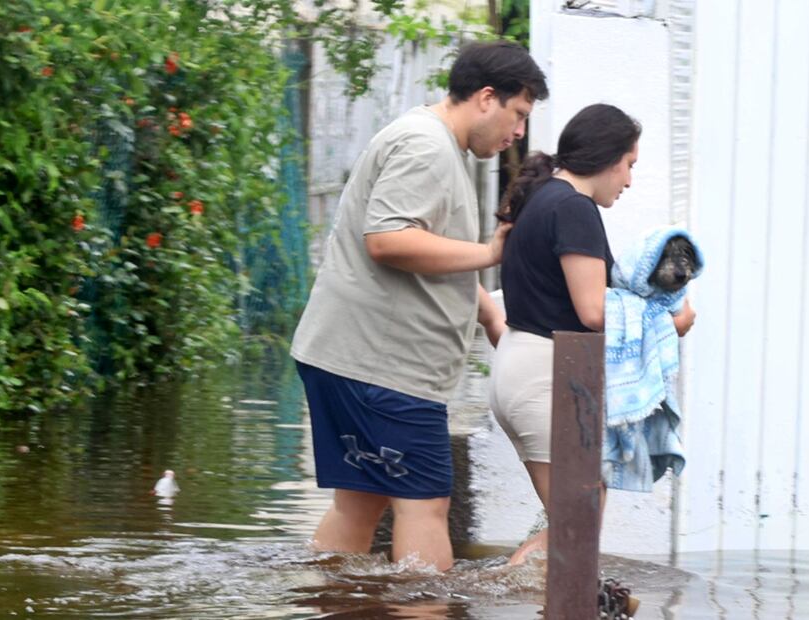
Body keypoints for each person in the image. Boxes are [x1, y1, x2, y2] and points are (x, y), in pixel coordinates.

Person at [291, 41, 548, 571]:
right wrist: (492, 252)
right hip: (383, 367)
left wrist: (484, 309)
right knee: (425, 506)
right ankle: (423, 609)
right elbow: (387, 239)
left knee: (360, 504)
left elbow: (424, 245)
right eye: (518, 114)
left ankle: (329, 600)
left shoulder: (431, 142)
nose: (518, 132)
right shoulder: (427, 146)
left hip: (350, 356)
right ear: (485, 98)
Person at [489, 103, 696, 565]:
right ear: (607, 158)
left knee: (571, 519)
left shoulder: (545, 198)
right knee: (577, 525)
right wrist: (670, 323)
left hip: (520, 366)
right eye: (629, 166)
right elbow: (593, 311)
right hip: (542, 375)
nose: (629, 180)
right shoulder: (573, 207)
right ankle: (487, 592)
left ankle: (512, 592)